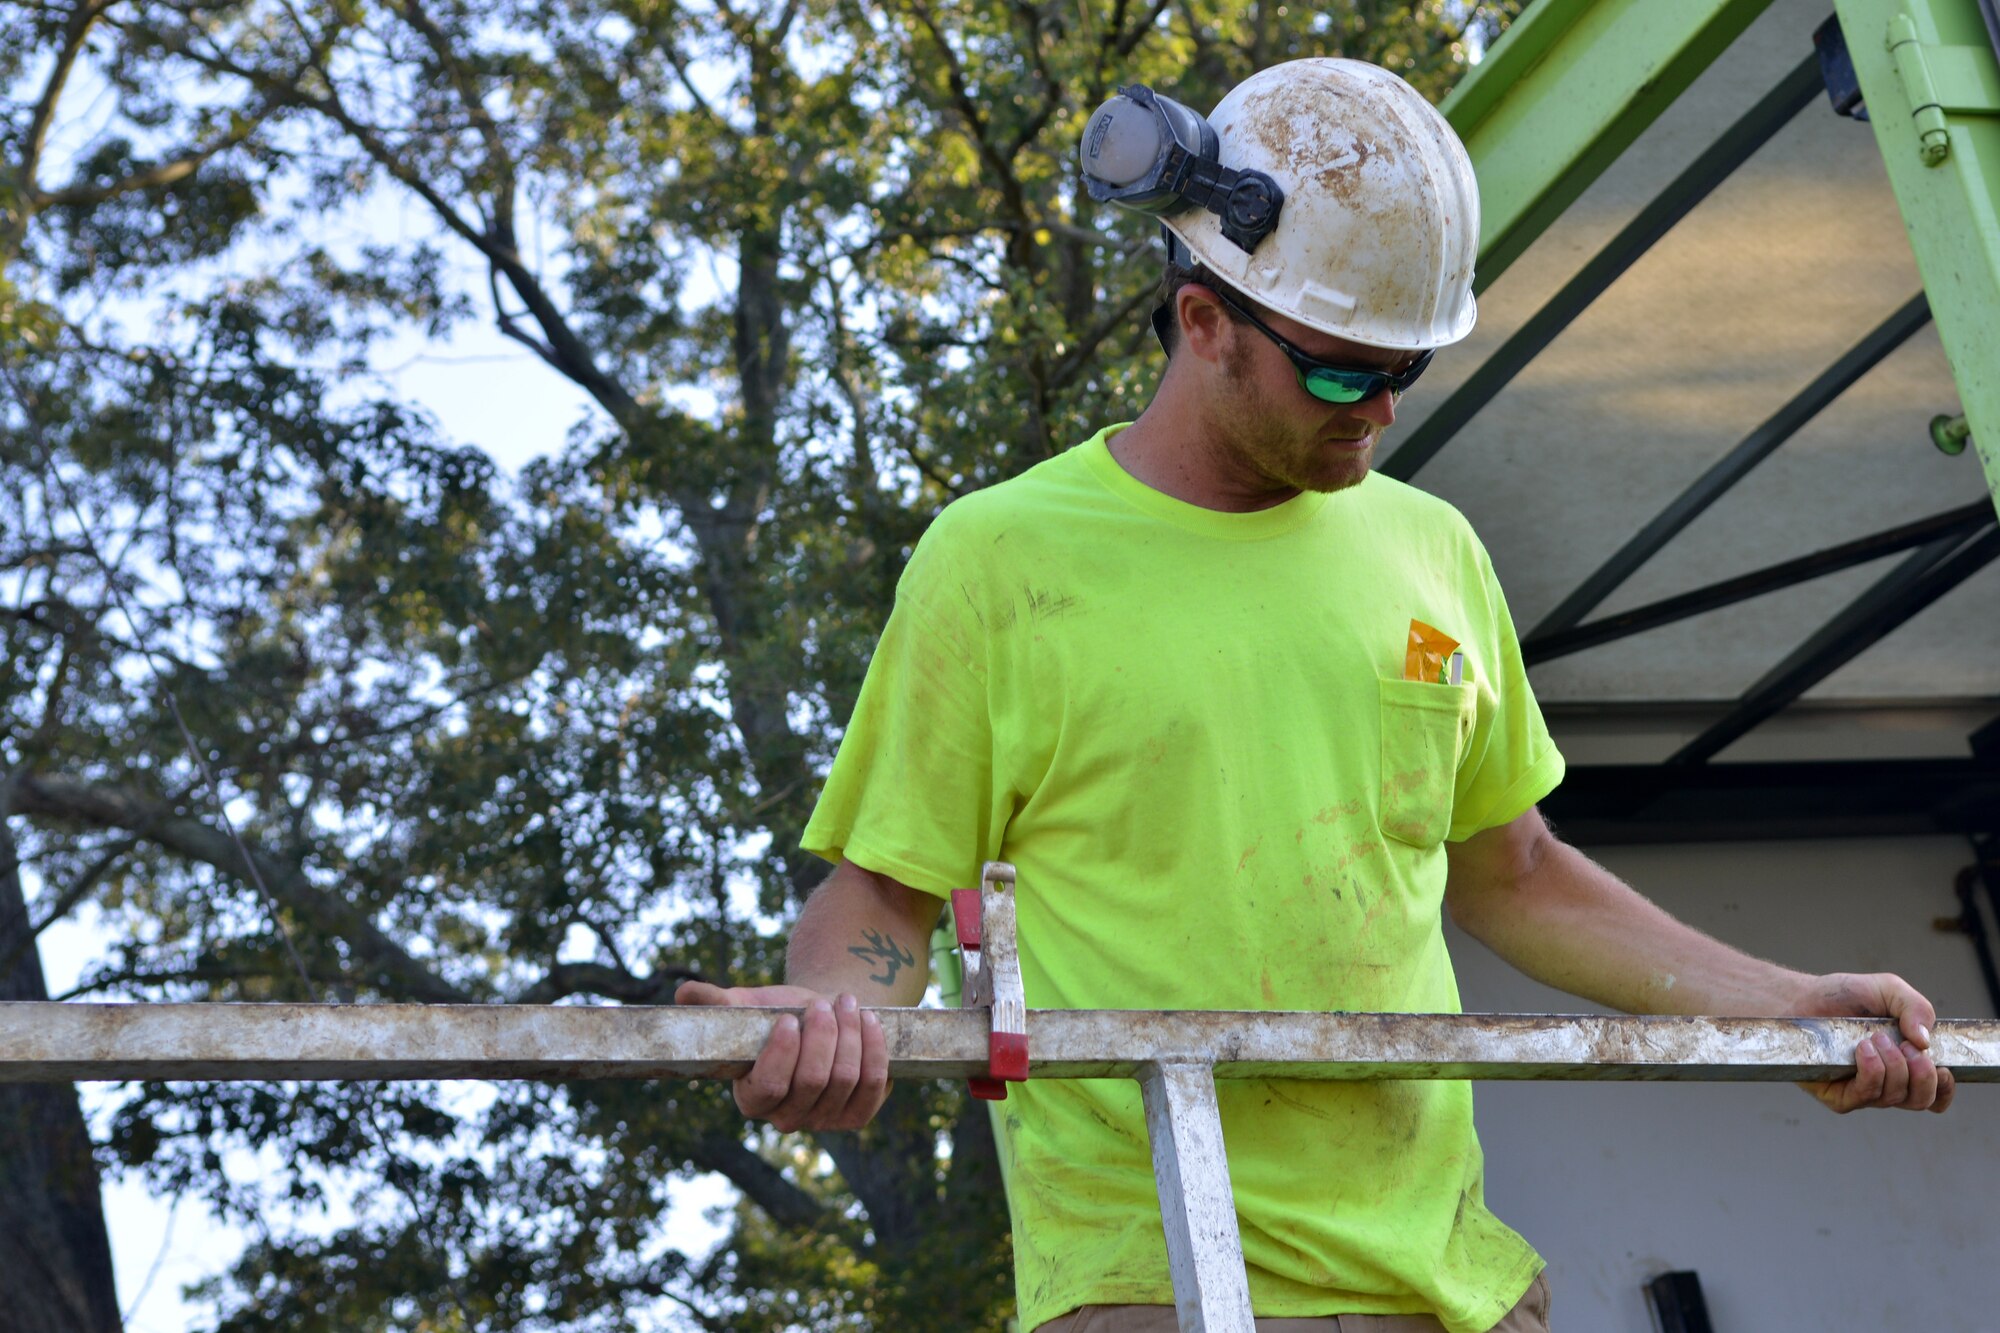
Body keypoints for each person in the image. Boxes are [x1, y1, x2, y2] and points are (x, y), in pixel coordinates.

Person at [676, 57, 1956, 1333]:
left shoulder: (1433, 549)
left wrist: (1779, 1007)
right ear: (1202, 321)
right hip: (1160, 1271)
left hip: (1449, 1284)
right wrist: (830, 1014)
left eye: (1407, 370)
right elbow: (885, 891)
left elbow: (1512, 871)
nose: (1382, 411)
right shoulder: (1000, 560)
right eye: (1343, 372)